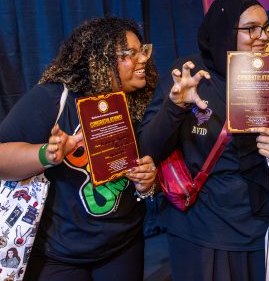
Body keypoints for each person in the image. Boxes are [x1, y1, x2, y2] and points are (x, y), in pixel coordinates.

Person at [140, 0, 269, 281]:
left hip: (261, 224)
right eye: (251, 29)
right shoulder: (189, 74)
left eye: (265, 28)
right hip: (201, 228)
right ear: (225, 31)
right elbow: (149, 148)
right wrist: (176, 106)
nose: (263, 36)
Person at [0, 16, 159, 281]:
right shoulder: (54, 98)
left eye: (143, 50)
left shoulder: (140, 101)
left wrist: (148, 182)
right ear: (100, 60)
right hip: (60, 254)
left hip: (123, 245)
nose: (143, 59)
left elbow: (150, 167)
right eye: (129, 54)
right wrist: (47, 154)